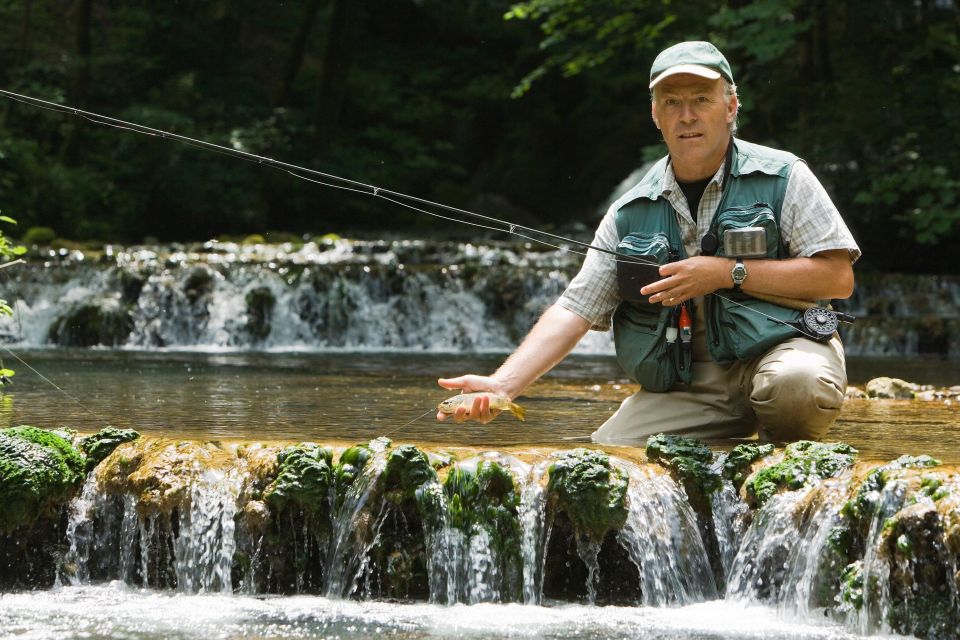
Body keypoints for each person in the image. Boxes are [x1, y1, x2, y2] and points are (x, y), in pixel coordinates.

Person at [437, 41, 860, 444]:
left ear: (730, 106)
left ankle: (779, 455)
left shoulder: (786, 177)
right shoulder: (629, 211)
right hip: (694, 380)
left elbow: (838, 278)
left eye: (701, 99)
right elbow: (576, 309)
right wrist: (503, 385)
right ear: (655, 114)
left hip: (782, 350)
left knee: (795, 390)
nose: (686, 115)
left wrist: (726, 273)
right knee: (615, 451)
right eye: (672, 102)